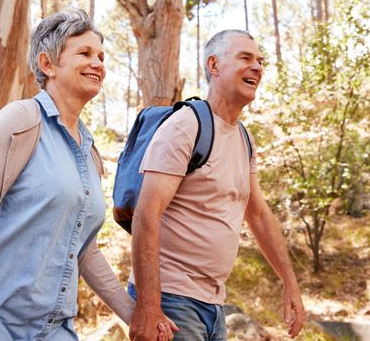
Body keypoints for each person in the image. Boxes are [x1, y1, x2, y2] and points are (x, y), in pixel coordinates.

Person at [0, 9, 175, 341]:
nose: (98, 63)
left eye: (101, 56)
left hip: (57, 330)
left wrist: (136, 313)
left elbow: (84, 249)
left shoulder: (89, 151)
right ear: (48, 65)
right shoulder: (21, 120)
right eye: (85, 53)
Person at [128, 29, 306, 341]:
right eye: (245, 58)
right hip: (171, 300)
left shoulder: (243, 138)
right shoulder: (185, 126)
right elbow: (146, 214)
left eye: (260, 61)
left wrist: (289, 282)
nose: (257, 67)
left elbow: (260, 216)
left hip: (213, 304)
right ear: (214, 65)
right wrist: (148, 305)